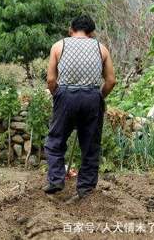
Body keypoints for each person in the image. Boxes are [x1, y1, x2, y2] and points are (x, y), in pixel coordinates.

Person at [43, 14, 116, 200]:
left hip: (65, 95)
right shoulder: (102, 49)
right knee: (91, 146)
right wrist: (99, 97)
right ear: (92, 32)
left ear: (71, 29)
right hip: (92, 97)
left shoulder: (59, 46)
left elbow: (51, 79)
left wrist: (58, 95)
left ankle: (56, 180)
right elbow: (110, 81)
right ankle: (85, 189)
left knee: (55, 141)